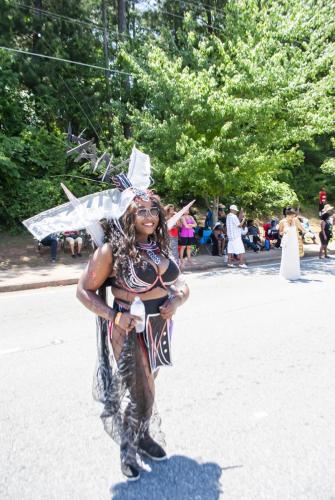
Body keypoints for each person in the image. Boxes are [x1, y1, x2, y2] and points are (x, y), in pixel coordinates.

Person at [77, 190, 189, 481]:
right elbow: (83, 291)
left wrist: (177, 301)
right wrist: (115, 316)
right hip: (129, 328)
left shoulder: (160, 246)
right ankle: (128, 448)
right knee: (141, 391)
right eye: (141, 211)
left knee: (147, 389)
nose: (150, 216)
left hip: (160, 328)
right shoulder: (111, 251)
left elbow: (181, 285)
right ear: (128, 215)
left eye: (153, 210)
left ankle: (143, 435)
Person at [278, 207, 302, 280]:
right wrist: (284, 232)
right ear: (288, 215)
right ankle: (286, 274)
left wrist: (305, 231)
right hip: (287, 242)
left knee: (294, 257)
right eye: (292, 215)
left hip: (294, 242)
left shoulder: (295, 220)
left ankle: (294, 274)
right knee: (286, 258)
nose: (293, 217)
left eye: (294, 215)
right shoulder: (282, 222)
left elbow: (301, 228)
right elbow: (280, 232)